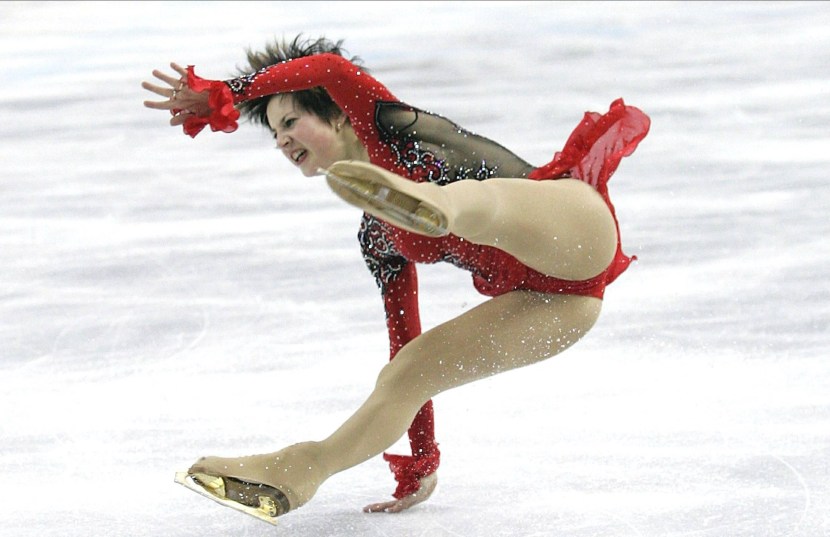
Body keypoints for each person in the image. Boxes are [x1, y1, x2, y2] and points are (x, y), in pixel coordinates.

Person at [142, 35, 650, 523]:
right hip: (560, 307)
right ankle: (301, 469)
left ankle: (434, 203)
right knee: (405, 374)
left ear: (339, 114)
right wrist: (420, 460)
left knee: (484, 204)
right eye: (275, 134)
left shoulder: (386, 121)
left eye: (291, 121)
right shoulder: (377, 237)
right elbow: (404, 336)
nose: (282, 140)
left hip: (575, 233)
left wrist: (227, 92)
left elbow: (330, 68)